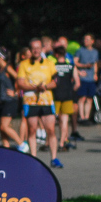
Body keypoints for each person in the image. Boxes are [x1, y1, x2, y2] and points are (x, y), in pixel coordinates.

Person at [17, 38, 59, 166]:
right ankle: (33, 158)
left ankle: (54, 158)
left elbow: (56, 81)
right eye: (33, 48)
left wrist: (45, 87)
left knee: (51, 130)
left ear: (42, 49)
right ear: (30, 50)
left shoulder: (49, 63)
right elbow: (20, 83)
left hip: (46, 101)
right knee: (32, 130)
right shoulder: (24, 64)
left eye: (38, 48)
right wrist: (35, 88)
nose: (36, 51)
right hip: (30, 102)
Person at [51, 44, 78, 159]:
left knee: (53, 121)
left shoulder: (53, 66)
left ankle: (50, 142)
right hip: (68, 96)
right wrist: (71, 90)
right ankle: (62, 143)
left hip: (55, 96)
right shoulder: (71, 66)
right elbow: (77, 83)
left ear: (56, 55)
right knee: (65, 120)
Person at [0, 50, 23, 148]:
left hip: (10, 101)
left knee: (4, 126)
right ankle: (6, 148)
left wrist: (15, 92)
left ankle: (22, 144)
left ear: (2, 58)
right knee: (1, 128)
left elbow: (18, 78)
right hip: (1, 101)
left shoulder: (7, 68)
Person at [75, 35, 99, 123]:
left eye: (88, 39)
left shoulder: (95, 52)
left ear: (92, 41)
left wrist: (95, 74)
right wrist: (81, 70)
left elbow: (95, 63)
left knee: (89, 98)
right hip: (83, 78)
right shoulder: (80, 51)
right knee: (82, 98)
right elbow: (75, 62)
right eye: (85, 39)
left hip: (91, 78)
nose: (86, 41)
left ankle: (87, 117)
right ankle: (81, 117)